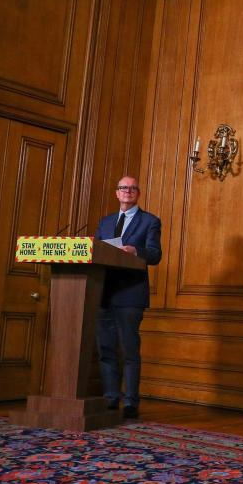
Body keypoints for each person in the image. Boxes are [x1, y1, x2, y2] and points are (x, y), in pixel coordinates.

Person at [95, 176, 162, 419]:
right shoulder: (105, 222)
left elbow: (155, 255)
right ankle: (111, 398)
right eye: (123, 188)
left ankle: (131, 401)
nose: (127, 191)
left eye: (132, 188)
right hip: (104, 292)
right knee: (106, 348)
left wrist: (136, 251)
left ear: (138, 193)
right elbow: (96, 251)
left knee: (129, 349)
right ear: (117, 193)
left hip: (131, 294)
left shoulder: (150, 221)